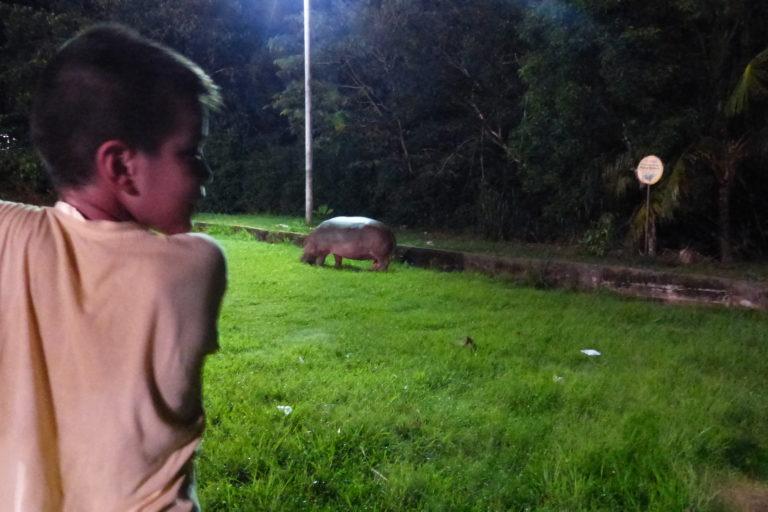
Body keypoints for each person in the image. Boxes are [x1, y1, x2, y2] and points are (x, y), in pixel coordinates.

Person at [0, 24, 227, 511]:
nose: (205, 172)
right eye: (190, 152)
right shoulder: (197, 265)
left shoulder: (12, 239)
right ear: (121, 166)